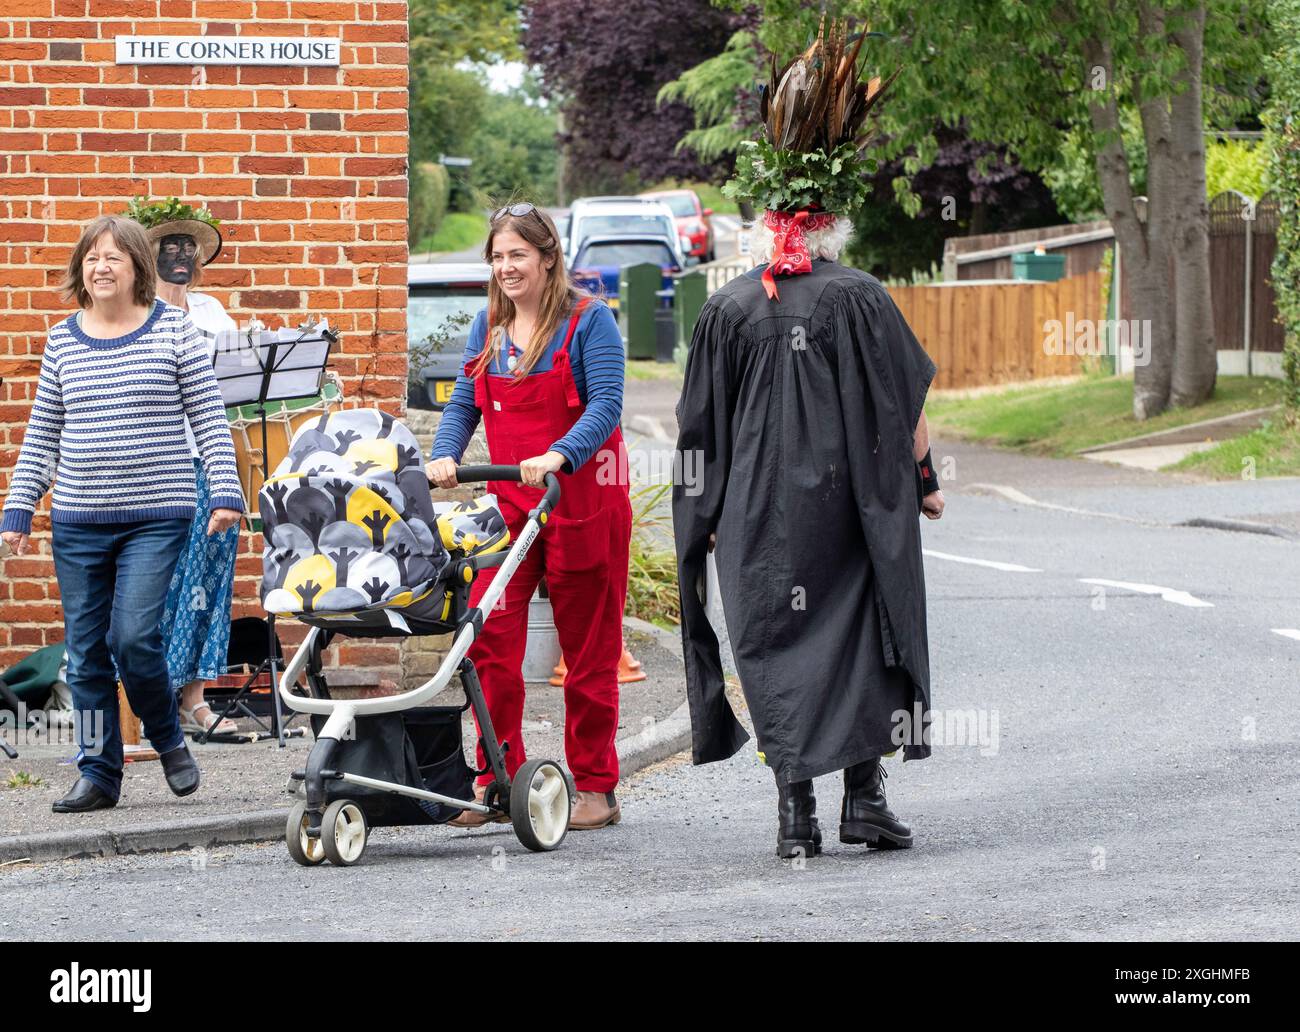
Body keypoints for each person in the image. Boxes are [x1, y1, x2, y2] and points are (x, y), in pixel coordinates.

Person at [672, 22, 945, 859]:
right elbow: (905, 405)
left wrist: (700, 516)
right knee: (864, 639)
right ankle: (865, 798)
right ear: (833, 221)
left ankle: (797, 816)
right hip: (850, 506)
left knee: (776, 647)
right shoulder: (860, 297)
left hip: (756, 516)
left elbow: (696, 433)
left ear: (766, 219)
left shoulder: (724, 310)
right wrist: (925, 478)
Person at [0, 215, 245, 813]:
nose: (101, 266)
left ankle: (166, 738)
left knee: (134, 638)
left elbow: (210, 420)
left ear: (137, 265)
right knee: (85, 652)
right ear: (80, 270)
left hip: (154, 516)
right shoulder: (63, 339)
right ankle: (97, 773)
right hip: (79, 519)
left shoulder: (176, 334)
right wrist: (18, 508)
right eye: (91, 258)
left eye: (113, 256)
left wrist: (225, 492)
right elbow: (43, 434)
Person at [427, 201, 632, 831]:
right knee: (489, 634)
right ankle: (498, 780)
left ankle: (595, 785)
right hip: (512, 510)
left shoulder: (589, 321)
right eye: (497, 256)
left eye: (518, 254)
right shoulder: (488, 328)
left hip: (584, 504)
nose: (506, 266)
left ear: (547, 257)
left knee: (588, 651)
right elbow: (465, 402)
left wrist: (561, 454)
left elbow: (608, 405)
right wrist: (443, 454)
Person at [130, 201, 240, 736]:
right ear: (149, 258)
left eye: (188, 249)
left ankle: (196, 698)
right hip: (161, 464)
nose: (180, 256)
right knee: (166, 581)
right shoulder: (138, 314)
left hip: (211, 461)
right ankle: (155, 702)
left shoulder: (214, 313)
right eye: (169, 247)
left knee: (211, 579)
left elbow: (239, 380)